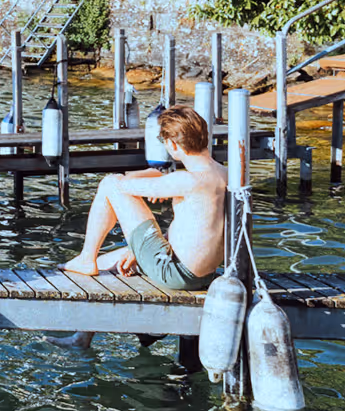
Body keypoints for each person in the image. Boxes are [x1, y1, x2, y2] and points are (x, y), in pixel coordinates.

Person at [61, 106, 225, 291]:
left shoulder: (187, 180)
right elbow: (197, 231)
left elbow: (118, 185)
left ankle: (86, 258)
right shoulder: (225, 174)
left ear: (172, 144)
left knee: (109, 182)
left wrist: (149, 173)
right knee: (110, 260)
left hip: (176, 273)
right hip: (205, 275)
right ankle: (92, 261)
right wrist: (135, 251)